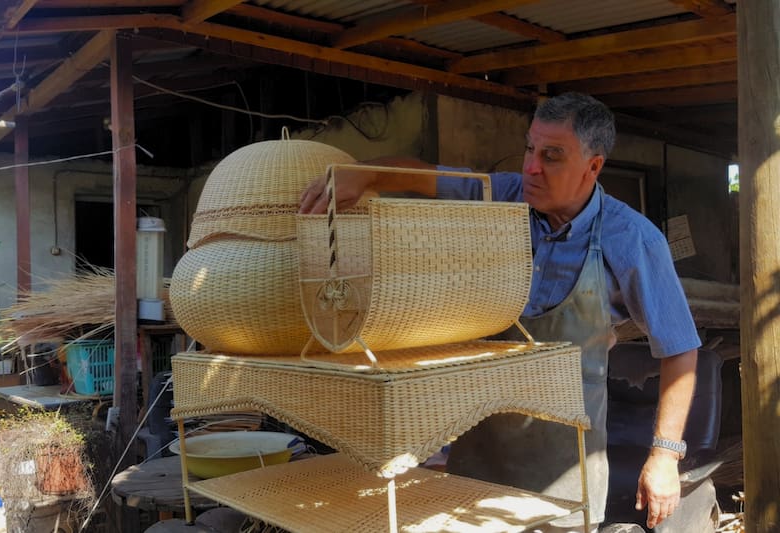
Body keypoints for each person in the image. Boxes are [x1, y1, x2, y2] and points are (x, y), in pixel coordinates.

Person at [299, 92, 699, 532]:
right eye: (530, 148)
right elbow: (423, 178)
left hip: (565, 467)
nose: (531, 167)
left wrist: (663, 456)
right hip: (478, 452)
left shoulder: (632, 240)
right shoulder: (501, 194)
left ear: (594, 166)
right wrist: (365, 173)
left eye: (552, 156)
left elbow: (679, 349)